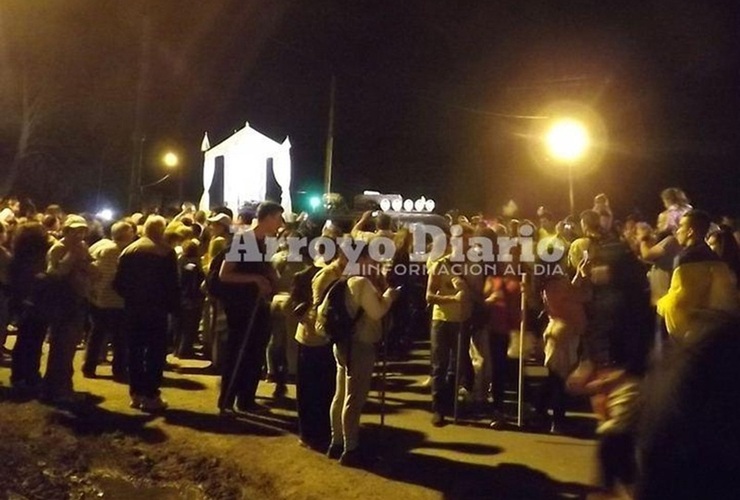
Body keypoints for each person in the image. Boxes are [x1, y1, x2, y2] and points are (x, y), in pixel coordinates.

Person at [327, 245, 399, 466]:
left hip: (342, 344)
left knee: (340, 395)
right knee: (354, 398)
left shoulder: (341, 281)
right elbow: (377, 312)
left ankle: (336, 441)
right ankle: (351, 449)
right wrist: (389, 296)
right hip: (360, 346)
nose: (376, 263)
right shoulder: (361, 283)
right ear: (363, 259)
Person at [217, 201, 283, 414]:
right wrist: (255, 278)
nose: (280, 224)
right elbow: (224, 274)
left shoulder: (266, 241)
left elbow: (265, 267)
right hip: (241, 307)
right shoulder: (243, 240)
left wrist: (271, 275)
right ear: (268, 217)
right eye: (278, 218)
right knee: (238, 352)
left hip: (259, 305)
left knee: (255, 352)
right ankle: (227, 398)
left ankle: (247, 398)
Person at [113, 215, 180, 411]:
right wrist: (173, 308)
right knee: (155, 353)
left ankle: (136, 393)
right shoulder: (166, 253)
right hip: (156, 311)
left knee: (134, 351)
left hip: (133, 309)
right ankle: (151, 394)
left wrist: (130, 298)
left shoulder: (129, 251)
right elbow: (172, 285)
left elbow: (118, 283)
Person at [657, 210, 740, 342]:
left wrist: (661, 304)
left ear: (690, 231)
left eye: (681, 226)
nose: (677, 231)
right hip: (714, 329)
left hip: (690, 331)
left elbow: (678, 301)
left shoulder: (685, 258)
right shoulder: (714, 257)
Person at [43, 214, 94, 404]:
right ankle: (55, 390)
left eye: (83, 231)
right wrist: (72, 258)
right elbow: (54, 273)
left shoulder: (81, 247)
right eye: (76, 231)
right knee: (61, 348)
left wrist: (90, 268)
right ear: (67, 231)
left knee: (70, 348)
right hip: (63, 303)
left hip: (79, 300)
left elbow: (91, 266)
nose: (80, 235)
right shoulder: (58, 248)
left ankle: (65, 387)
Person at [83, 220, 136, 380]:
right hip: (113, 300)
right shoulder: (116, 252)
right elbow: (111, 277)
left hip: (97, 299)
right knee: (119, 337)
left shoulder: (100, 246)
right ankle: (119, 370)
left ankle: (89, 366)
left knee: (97, 334)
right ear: (125, 235)